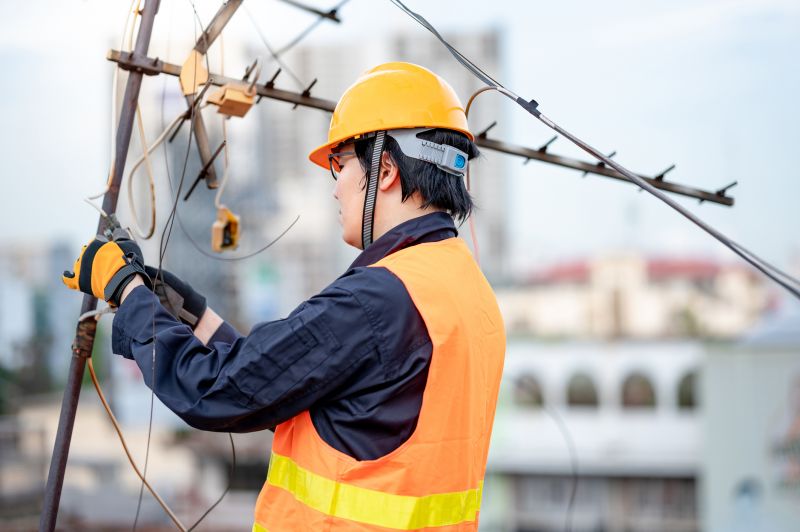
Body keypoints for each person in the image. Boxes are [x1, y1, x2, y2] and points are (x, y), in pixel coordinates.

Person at [63, 62, 506, 531]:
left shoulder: (378, 298)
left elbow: (218, 392)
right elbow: (300, 390)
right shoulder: (469, 293)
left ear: (388, 169)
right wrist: (192, 314)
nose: (335, 187)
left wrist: (126, 290)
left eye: (341, 164)